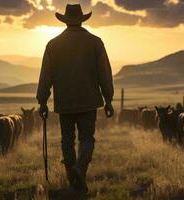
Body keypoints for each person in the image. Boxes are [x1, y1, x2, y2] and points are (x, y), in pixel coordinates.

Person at [36, 4, 114, 195]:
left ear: (65, 20)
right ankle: (79, 170)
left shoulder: (53, 45)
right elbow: (104, 73)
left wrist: (43, 101)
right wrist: (108, 99)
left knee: (67, 140)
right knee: (87, 139)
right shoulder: (95, 43)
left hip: (65, 103)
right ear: (81, 19)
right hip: (89, 101)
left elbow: (46, 75)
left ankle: (74, 177)